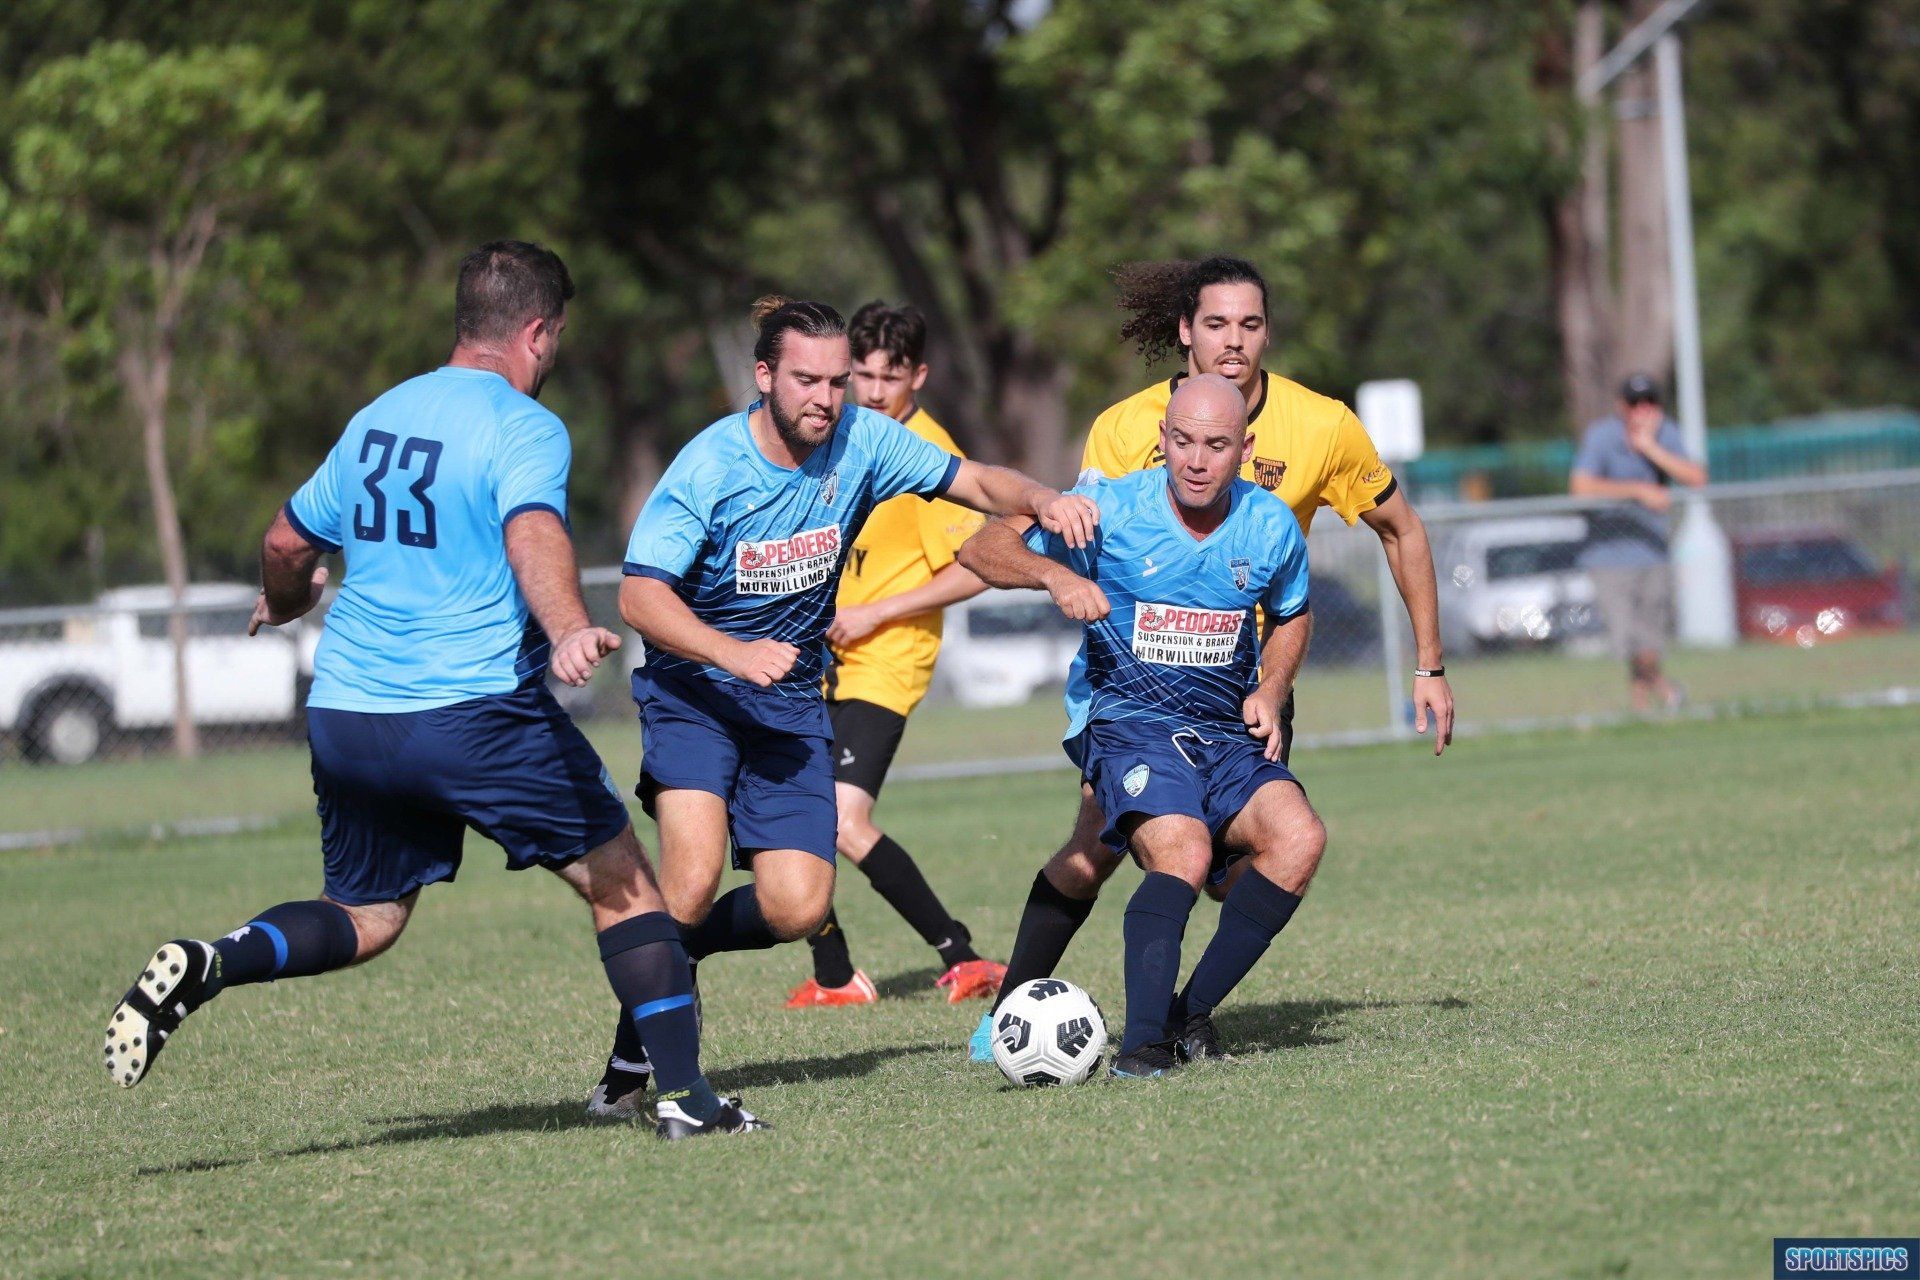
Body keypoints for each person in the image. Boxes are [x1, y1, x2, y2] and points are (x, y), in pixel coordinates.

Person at [102, 241, 757, 1140]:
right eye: (555, 338)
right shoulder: (524, 425)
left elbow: (287, 544)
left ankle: (213, 961)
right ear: (535, 331)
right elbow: (533, 532)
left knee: (366, 914)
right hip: (470, 713)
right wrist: (569, 626)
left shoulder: (376, 417)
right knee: (629, 888)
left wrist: (289, 603)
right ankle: (688, 1102)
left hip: (347, 715)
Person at [587, 296, 1096, 1116]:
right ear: (764, 377)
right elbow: (642, 598)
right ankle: (637, 1060)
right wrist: (733, 652)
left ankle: (663, 955)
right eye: (805, 380)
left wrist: (1039, 498)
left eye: (836, 380)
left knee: (799, 905)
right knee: (688, 879)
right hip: (696, 693)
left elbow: (971, 480)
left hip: (788, 702)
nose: (825, 397)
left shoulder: (865, 439)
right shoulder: (711, 466)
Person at [970, 254, 1453, 1061]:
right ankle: (1023, 1019)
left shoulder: (1321, 428)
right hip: (1127, 690)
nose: (1234, 341)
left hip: (1245, 687)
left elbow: (1398, 531)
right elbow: (1074, 540)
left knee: (1252, 854)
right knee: (1113, 852)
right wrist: (1056, 575)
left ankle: (1181, 1012)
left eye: (1251, 324)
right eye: (1217, 324)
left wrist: (1425, 665)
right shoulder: (1123, 433)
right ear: (1185, 334)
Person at [959, 375, 1323, 1076]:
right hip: (1129, 719)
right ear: (1161, 440)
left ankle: (1187, 1016)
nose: (1195, 459)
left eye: (1216, 446)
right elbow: (980, 550)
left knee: (1298, 838)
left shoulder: (1270, 523)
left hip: (1223, 731)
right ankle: (1143, 1048)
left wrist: (1273, 688)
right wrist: (1052, 575)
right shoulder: (1108, 510)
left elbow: (1293, 612)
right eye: (1182, 441)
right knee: (1180, 852)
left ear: (1243, 449)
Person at [785, 300, 1006, 1008]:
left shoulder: (930, 458)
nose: (875, 391)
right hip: (814, 656)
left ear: (920, 375)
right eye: (863, 375)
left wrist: (877, 611)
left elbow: (980, 566)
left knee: (842, 820)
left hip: (887, 659)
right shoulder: (839, 437)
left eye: (891, 376)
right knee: (785, 810)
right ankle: (834, 975)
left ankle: (963, 957)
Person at [1569, 373, 1707, 710]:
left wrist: (1650, 448)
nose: (1642, 410)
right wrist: (1637, 491)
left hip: (1653, 552)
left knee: (1650, 639)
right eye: (1635, 403)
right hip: (1607, 557)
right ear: (1621, 406)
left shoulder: (1666, 434)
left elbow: (1696, 477)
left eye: (1650, 402)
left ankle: (1641, 706)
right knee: (1626, 638)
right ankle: (1663, 688)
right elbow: (1581, 487)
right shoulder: (1602, 437)